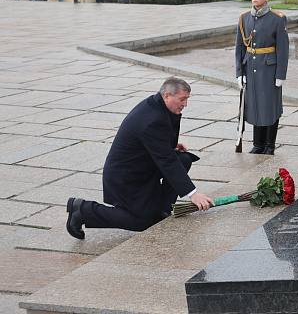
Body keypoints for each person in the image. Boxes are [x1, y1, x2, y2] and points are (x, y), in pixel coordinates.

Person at [65, 77, 214, 238]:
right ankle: (83, 209)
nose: (185, 104)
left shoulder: (158, 105)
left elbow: (158, 142)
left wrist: (168, 145)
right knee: (141, 222)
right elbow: (166, 161)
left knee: (183, 159)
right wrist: (193, 194)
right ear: (167, 96)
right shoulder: (152, 119)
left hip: (143, 167)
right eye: (182, 99)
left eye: (187, 99)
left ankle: (161, 210)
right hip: (126, 178)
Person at [235, 0, 289, 155]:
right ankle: (257, 144)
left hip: (269, 70)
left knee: (270, 107)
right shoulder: (244, 18)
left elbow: (283, 49)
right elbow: (239, 48)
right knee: (255, 106)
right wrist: (239, 72)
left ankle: (269, 145)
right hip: (250, 68)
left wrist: (280, 74)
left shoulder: (277, 19)